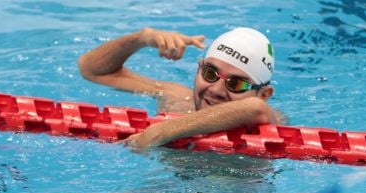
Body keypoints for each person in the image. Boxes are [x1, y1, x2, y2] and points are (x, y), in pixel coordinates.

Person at [78, 27, 285, 150]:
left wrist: (163, 130)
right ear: (199, 68)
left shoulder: (271, 123)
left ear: (264, 94)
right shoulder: (177, 100)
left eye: (236, 84)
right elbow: (92, 70)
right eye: (210, 74)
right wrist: (142, 38)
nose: (216, 90)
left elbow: (254, 108)